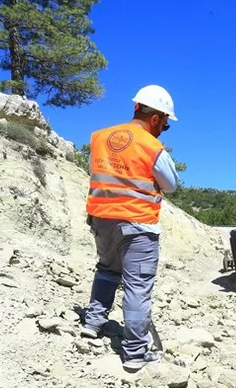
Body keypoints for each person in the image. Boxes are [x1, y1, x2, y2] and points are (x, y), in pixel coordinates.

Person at [80, 85, 180, 370]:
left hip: (101, 220)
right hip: (137, 225)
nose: (163, 130)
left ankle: (93, 323)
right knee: (137, 286)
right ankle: (135, 352)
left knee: (107, 271)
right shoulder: (151, 146)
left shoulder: (100, 138)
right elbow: (170, 185)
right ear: (155, 118)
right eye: (165, 124)